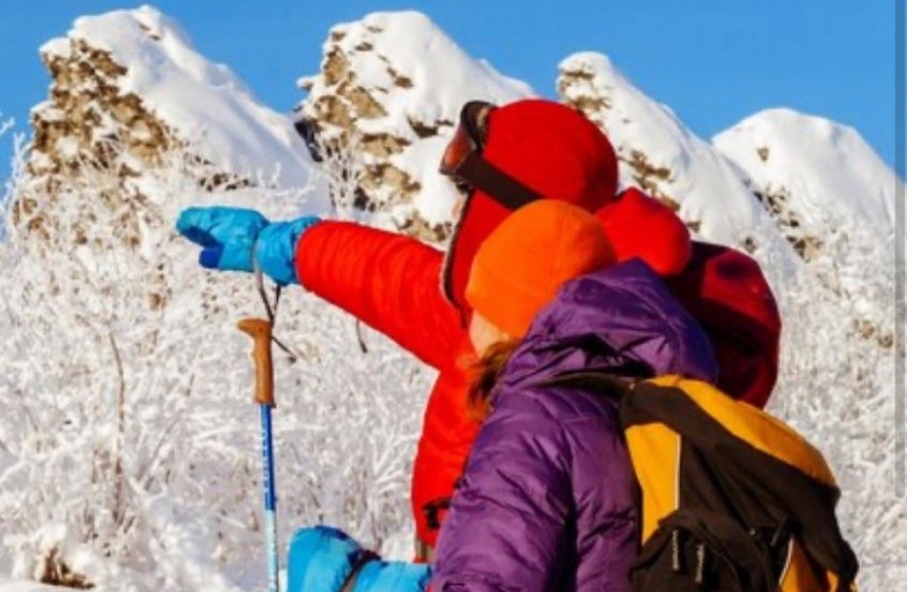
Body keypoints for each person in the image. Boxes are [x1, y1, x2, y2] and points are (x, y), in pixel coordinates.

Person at [176, 98, 781, 556]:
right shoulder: (535, 320)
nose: (454, 213)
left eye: (468, 195)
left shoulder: (601, 371)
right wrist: (287, 246)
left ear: (512, 213)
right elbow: (397, 282)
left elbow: (543, 591)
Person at [283, 200, 720, 592]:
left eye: (477, 303)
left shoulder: (531, 429)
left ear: (504, 317)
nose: (468, 319)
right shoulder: (633, 401)